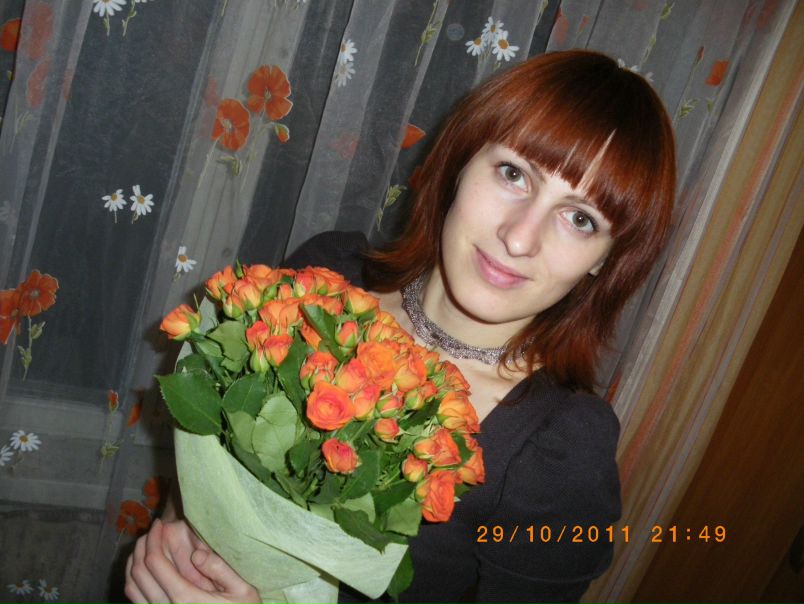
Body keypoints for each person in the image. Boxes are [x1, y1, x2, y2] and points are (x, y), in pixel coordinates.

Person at [125, 49, 676, 604]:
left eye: (580, 219)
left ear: (607, 259)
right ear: (461, 161)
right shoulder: (323, 279)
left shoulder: (561, 452)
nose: (519, 238)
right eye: (514, 174)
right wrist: (174, 551)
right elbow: (208, 459)